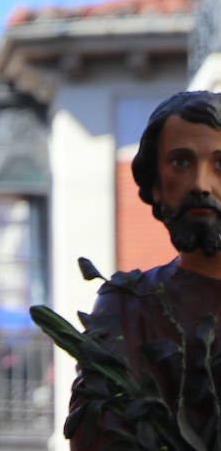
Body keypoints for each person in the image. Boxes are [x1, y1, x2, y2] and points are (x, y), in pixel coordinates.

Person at [66, 90, 221, 449]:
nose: (201, 184)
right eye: (181, 163)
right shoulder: (127, 307)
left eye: (220, 164)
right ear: (155, 184)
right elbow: (96, 433)